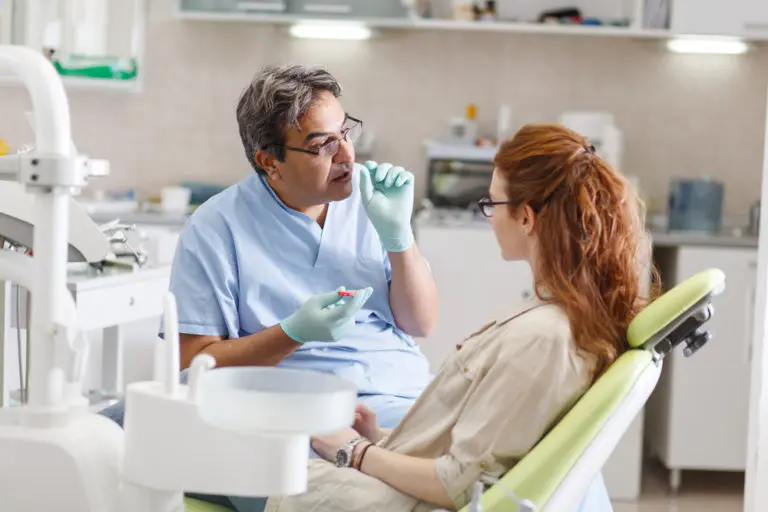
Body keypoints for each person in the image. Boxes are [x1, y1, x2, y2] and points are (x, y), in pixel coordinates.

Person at [263, 123, 660, 512]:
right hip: (415, 474)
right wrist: (382, 438)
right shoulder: (561, 322)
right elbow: (488, 446)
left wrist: (355, 451)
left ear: (526, 217)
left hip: (413, 498)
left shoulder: (544, 338)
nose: (489, 216)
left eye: (492, 204)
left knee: (272, 476)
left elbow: (456, 482)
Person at [99, 64, 439, 507]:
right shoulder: (218, 227)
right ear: (269, 161)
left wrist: (400, 239)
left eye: (346, 133)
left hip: (395, 400)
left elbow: (422, 322)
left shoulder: (369, 201)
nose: (346, 156)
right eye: (322, 145)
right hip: (284, 413)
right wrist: (292, 333)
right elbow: (194, 365)